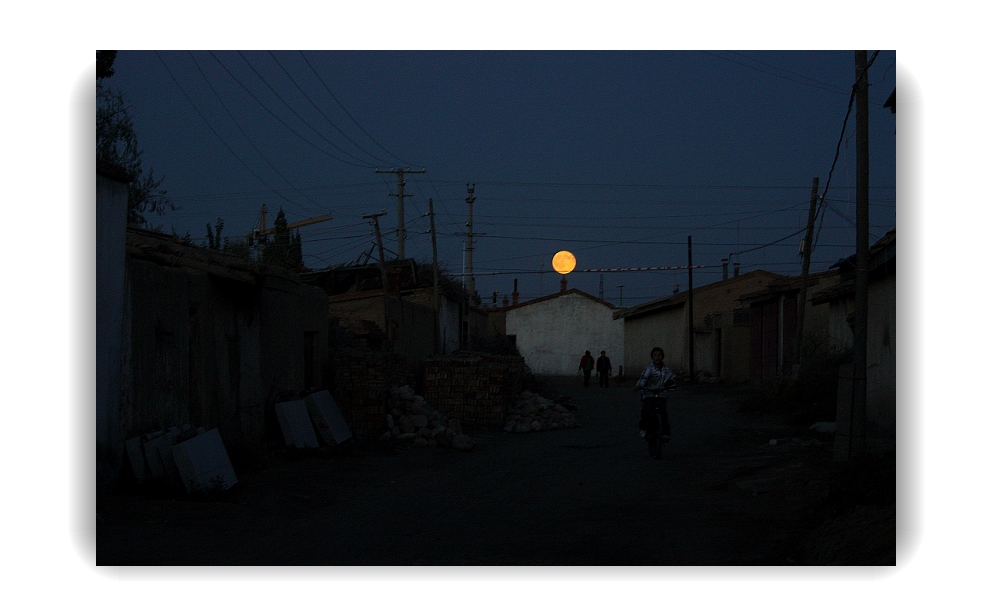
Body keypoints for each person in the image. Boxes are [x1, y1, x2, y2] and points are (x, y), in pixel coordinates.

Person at [634, 347, 675, 459]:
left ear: (663, 357)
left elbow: (672, 378)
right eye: (655, 355)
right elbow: (643, 378)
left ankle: (665, 433)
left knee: (663, 410)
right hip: (649, 394)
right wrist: (639, 386)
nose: (657, 357)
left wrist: (671, 383)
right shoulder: (649, 369)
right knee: (646, 410)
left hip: (661, 394)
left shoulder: (666, 370)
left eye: (659, 355)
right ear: (652, 357)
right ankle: (645, 429)